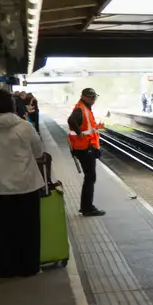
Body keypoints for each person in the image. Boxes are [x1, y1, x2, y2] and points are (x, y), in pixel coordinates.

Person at [0, 98, 48, 277]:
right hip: (26, 187)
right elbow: (39, 152)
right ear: (13, 107)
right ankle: (29, 267)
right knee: (27, 230)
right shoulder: (25, 127)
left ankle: (3, 269)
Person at [67, 86, 106, 217]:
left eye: (94, 97)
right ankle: (87, 208)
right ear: (84, 97)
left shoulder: (85, 108)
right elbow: (71, 120)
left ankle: (86, 206)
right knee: (90, 177)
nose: (93, 99)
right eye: (90, 97)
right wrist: (79, 134)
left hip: (86, 147)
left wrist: (97, 127)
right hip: (84, 148)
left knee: (90, 177)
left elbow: (86, 126)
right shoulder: (80, 109)